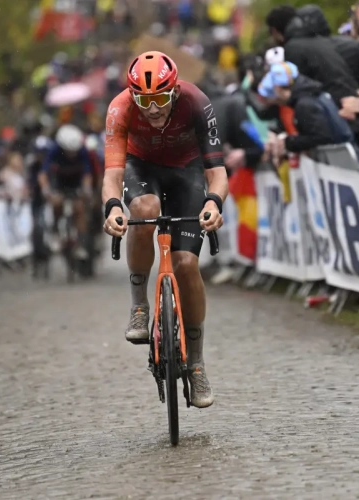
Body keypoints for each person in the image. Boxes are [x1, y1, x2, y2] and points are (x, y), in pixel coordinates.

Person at [101, 51, 228, 409]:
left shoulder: (196, 102)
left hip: (186, 170)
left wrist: (213, 203)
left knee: (187, 265)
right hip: (140, 168)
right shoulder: (119, 108)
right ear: (132, 96)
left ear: (174, 92)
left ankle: (197, 363)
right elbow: (112, 176)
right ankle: (140, 306)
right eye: (144, 100)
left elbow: (217, 173)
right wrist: (112, 209)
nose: (152, 108)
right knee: (144, 209)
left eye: (159, 99)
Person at [39, 124, 93, 260]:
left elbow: (87, 174)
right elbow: (43, 174)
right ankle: (56, 232)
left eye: (74, 151)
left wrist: (86, 188)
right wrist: (46, 190)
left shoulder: (82, 151)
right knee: (56, 205)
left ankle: (80, 243)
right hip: (59, 183)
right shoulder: (54, 151)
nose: (72, 154)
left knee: (79, 209)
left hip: (76, 184)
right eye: (68, 151)